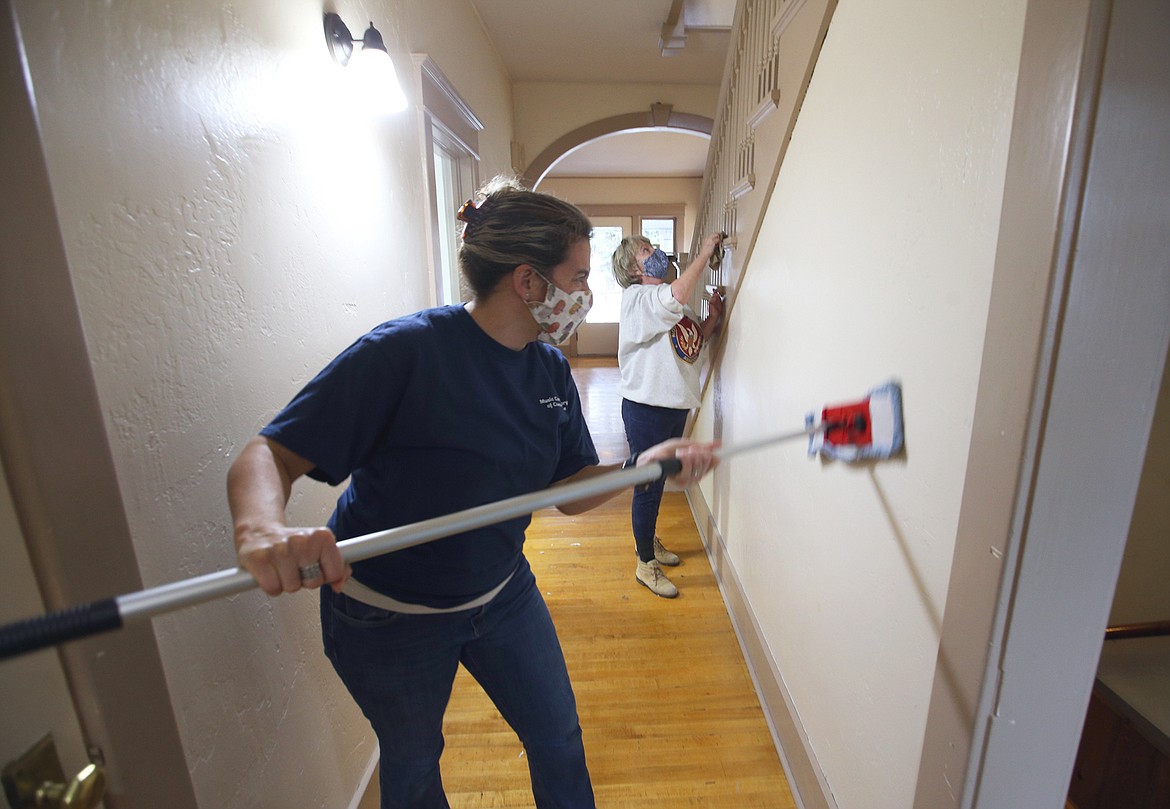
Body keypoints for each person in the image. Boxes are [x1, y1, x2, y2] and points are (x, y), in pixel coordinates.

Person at [226, 176, 720, 809]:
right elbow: (268, 455)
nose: (585, 295)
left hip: (501, 593)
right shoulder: (404, 353)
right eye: (576, 278)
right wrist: (261, 530)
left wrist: (646, 465)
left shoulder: (547, 370)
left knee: (559, 739)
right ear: (527, 281)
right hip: (386, 614)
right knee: (413, 765)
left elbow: (566, 488)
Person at [611, 232, 725, 598]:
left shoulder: (668, 302)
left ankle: (647, 541)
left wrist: (714, 319)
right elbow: (675, 295)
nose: (657, 251)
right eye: (647, 251)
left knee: (657, 482)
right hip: (646, 408)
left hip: (673, 405)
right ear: (633, 268)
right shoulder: (637, 299)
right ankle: (645, 563)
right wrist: (706, 252)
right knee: (647, 483)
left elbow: (692, 344)